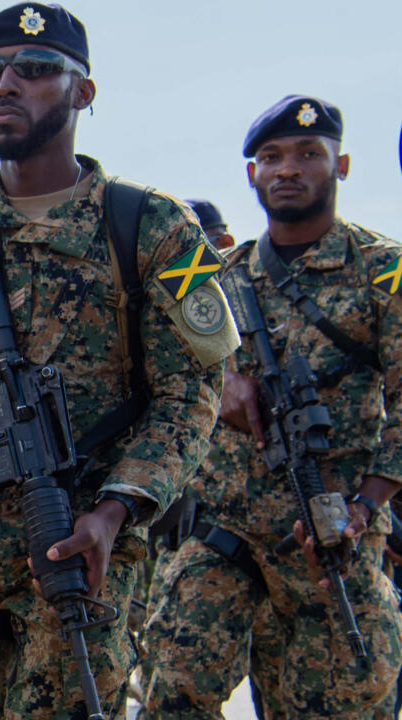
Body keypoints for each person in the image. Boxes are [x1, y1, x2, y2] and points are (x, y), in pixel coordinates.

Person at [0, 5, 235, 717]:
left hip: (79, 557)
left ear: (82, 93)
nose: (6, 86)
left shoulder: (149, 226)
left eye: (33, 71)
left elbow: (191, 398)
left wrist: (116, 510)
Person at [143, 95, 402, 718]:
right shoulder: (211, 276)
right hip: (225, 527)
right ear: (250, 174)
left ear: (339, 166)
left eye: (309, 155)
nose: (288, 169)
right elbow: (155, 366)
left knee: (338, 700)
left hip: (333, 529)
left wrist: (366, 506)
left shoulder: (384, 271)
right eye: (271, 157)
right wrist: (222, 376)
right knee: (174, 688)